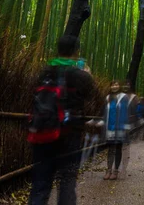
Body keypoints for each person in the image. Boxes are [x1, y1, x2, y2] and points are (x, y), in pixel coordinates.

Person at [28, 35, 98, 205]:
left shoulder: (44, 71)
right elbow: (95, 99)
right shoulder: (80, 75)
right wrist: (88, 75)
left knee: (40, 183)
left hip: (43, 132)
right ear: (76, 51)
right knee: (66, 181)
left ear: (58, 49)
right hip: (70, 135)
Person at [103, 80, 130, 180]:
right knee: (110, 149)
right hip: (110, 126)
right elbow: (105, 112)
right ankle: (108, 170)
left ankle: (115, 171)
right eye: (113, 85)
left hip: (120, 127)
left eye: (116, 84)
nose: (114, 86)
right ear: (110, 87)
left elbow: (126, 112)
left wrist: (126, 126)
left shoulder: (124, 97)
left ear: (119, 86)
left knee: (118, 148)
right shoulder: (107, 98)